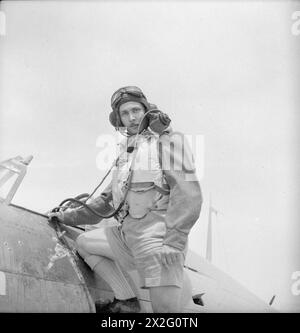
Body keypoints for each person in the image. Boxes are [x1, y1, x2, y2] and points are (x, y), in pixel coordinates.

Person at [48, 86, 203, 313]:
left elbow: (188, 195)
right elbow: (106, 202)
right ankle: (127, 300)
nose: (131, 118)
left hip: (157, 240)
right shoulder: (127, 153)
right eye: (125, 113)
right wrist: (65, 216)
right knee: (84, 243)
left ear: (147, 111)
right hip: (128, 236)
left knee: (166, 315)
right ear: (119, 119)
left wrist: (174, 242)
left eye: (136, 110)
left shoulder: (168, 141)